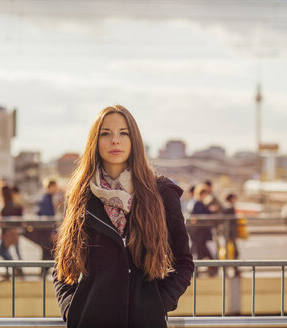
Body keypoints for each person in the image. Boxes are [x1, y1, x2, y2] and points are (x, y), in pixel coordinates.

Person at [52, 106, 194, 328]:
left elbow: (184, 263)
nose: (115, 141)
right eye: (105, 134)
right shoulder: (81, 194)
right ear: (95, 142)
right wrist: (72, 308)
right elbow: (63, 266)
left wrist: (157, 304)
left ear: (134, 140)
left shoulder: (161, 193)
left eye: (123, 133)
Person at [25, 178, 58, 277]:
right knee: (49, 252)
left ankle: (42, 273)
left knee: (47, 252)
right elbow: (48, 217)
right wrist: (53, 231)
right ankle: (44, 273)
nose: (56, 189)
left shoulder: (45, 198)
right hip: (46, 231)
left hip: (44, 231)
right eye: (55, 187)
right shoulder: (46, 200)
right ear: (50, 187)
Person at [0, 184, 23, 277]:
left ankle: (13, 268)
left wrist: (2, 232)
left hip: (7, 232)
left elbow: (5, 220)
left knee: (2, 251)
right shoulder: (11, 202)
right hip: (11, 231)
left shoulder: (6, 204)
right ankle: (15, 268)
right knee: (9, 250)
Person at [224, 193, 240, 277]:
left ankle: (232, 270)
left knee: (230, 252)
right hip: (230, 234)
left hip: (228, 234)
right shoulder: (230, 207)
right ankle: (235, 270)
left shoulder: (226, 207)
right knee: (234, 252)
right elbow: (230, 221)